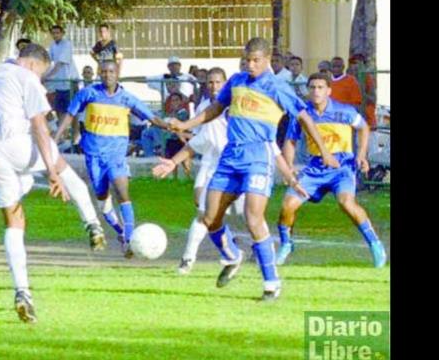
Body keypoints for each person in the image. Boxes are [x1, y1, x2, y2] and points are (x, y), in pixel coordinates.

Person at [166, 37, 339, 301]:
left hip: (258, 158)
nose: (250, 65)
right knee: (209, 217)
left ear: (267, 59)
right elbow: (216, 108)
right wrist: (186, 125)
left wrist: (325, 151)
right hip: (230, 157)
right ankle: (232, 255)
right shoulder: (236, 81)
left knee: (253, 218)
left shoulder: (277, 87)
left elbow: (305, 117)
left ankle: (271, 282)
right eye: (247, 59)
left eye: (256, 60)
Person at [0, 44, 107, 323]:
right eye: (43, 74)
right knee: (63, 169)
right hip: (16, 143)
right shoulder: (28, 77)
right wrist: (52, 171)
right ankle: (92, 223)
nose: (42, 79)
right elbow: (39, 126)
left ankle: (22, 292)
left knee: (14, 222)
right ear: (34, 65)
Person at [151, 67, 309, 274]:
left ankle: (266, 265)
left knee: (252, 218)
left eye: (218, 82)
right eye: (210, 82)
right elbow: (199, 141)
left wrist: (289, 175)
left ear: (227, 84)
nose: (214, 87)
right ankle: (193, 259)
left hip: (251, 165)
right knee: (204, 213)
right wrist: (173, 161)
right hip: (216, 165)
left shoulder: (251, 106)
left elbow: (272, 144)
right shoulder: (208, 108)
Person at [53, 60, 174, 257]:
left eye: (111, 71)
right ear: (99, 74)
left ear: (117, 73)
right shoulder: (88, 94)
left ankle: (128, 240)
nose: (107, 74)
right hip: (93, 155)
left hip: (116, 156)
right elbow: (69, 115)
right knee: (102, 197)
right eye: (103, 71)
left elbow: (152, 118)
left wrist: (173, 126)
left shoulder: (126, 99)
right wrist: (55, 140)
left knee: (121, 191)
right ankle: (120, 232)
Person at [275, 72, 387, 268]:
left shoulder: (344, 111)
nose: (316, 92)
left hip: (342, 167)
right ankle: (286, 244)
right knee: (288, 205)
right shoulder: (302, 114)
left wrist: (361, 155)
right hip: (315, 169)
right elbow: (290, 141)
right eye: (312, 88)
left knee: (347, 203)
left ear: (329, 91)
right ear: (307, 90)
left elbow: (363, 128)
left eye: (320, 88)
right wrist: (289, 167)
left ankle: (375, 245)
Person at [348, 53, 377, 130]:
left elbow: (373, 99)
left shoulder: (368, 79)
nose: (354, 66)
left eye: (357, 63)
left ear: (363, 65)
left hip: (367, 122)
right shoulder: (347, 79)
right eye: (353, 63)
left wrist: (361, 92)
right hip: (351, 122)